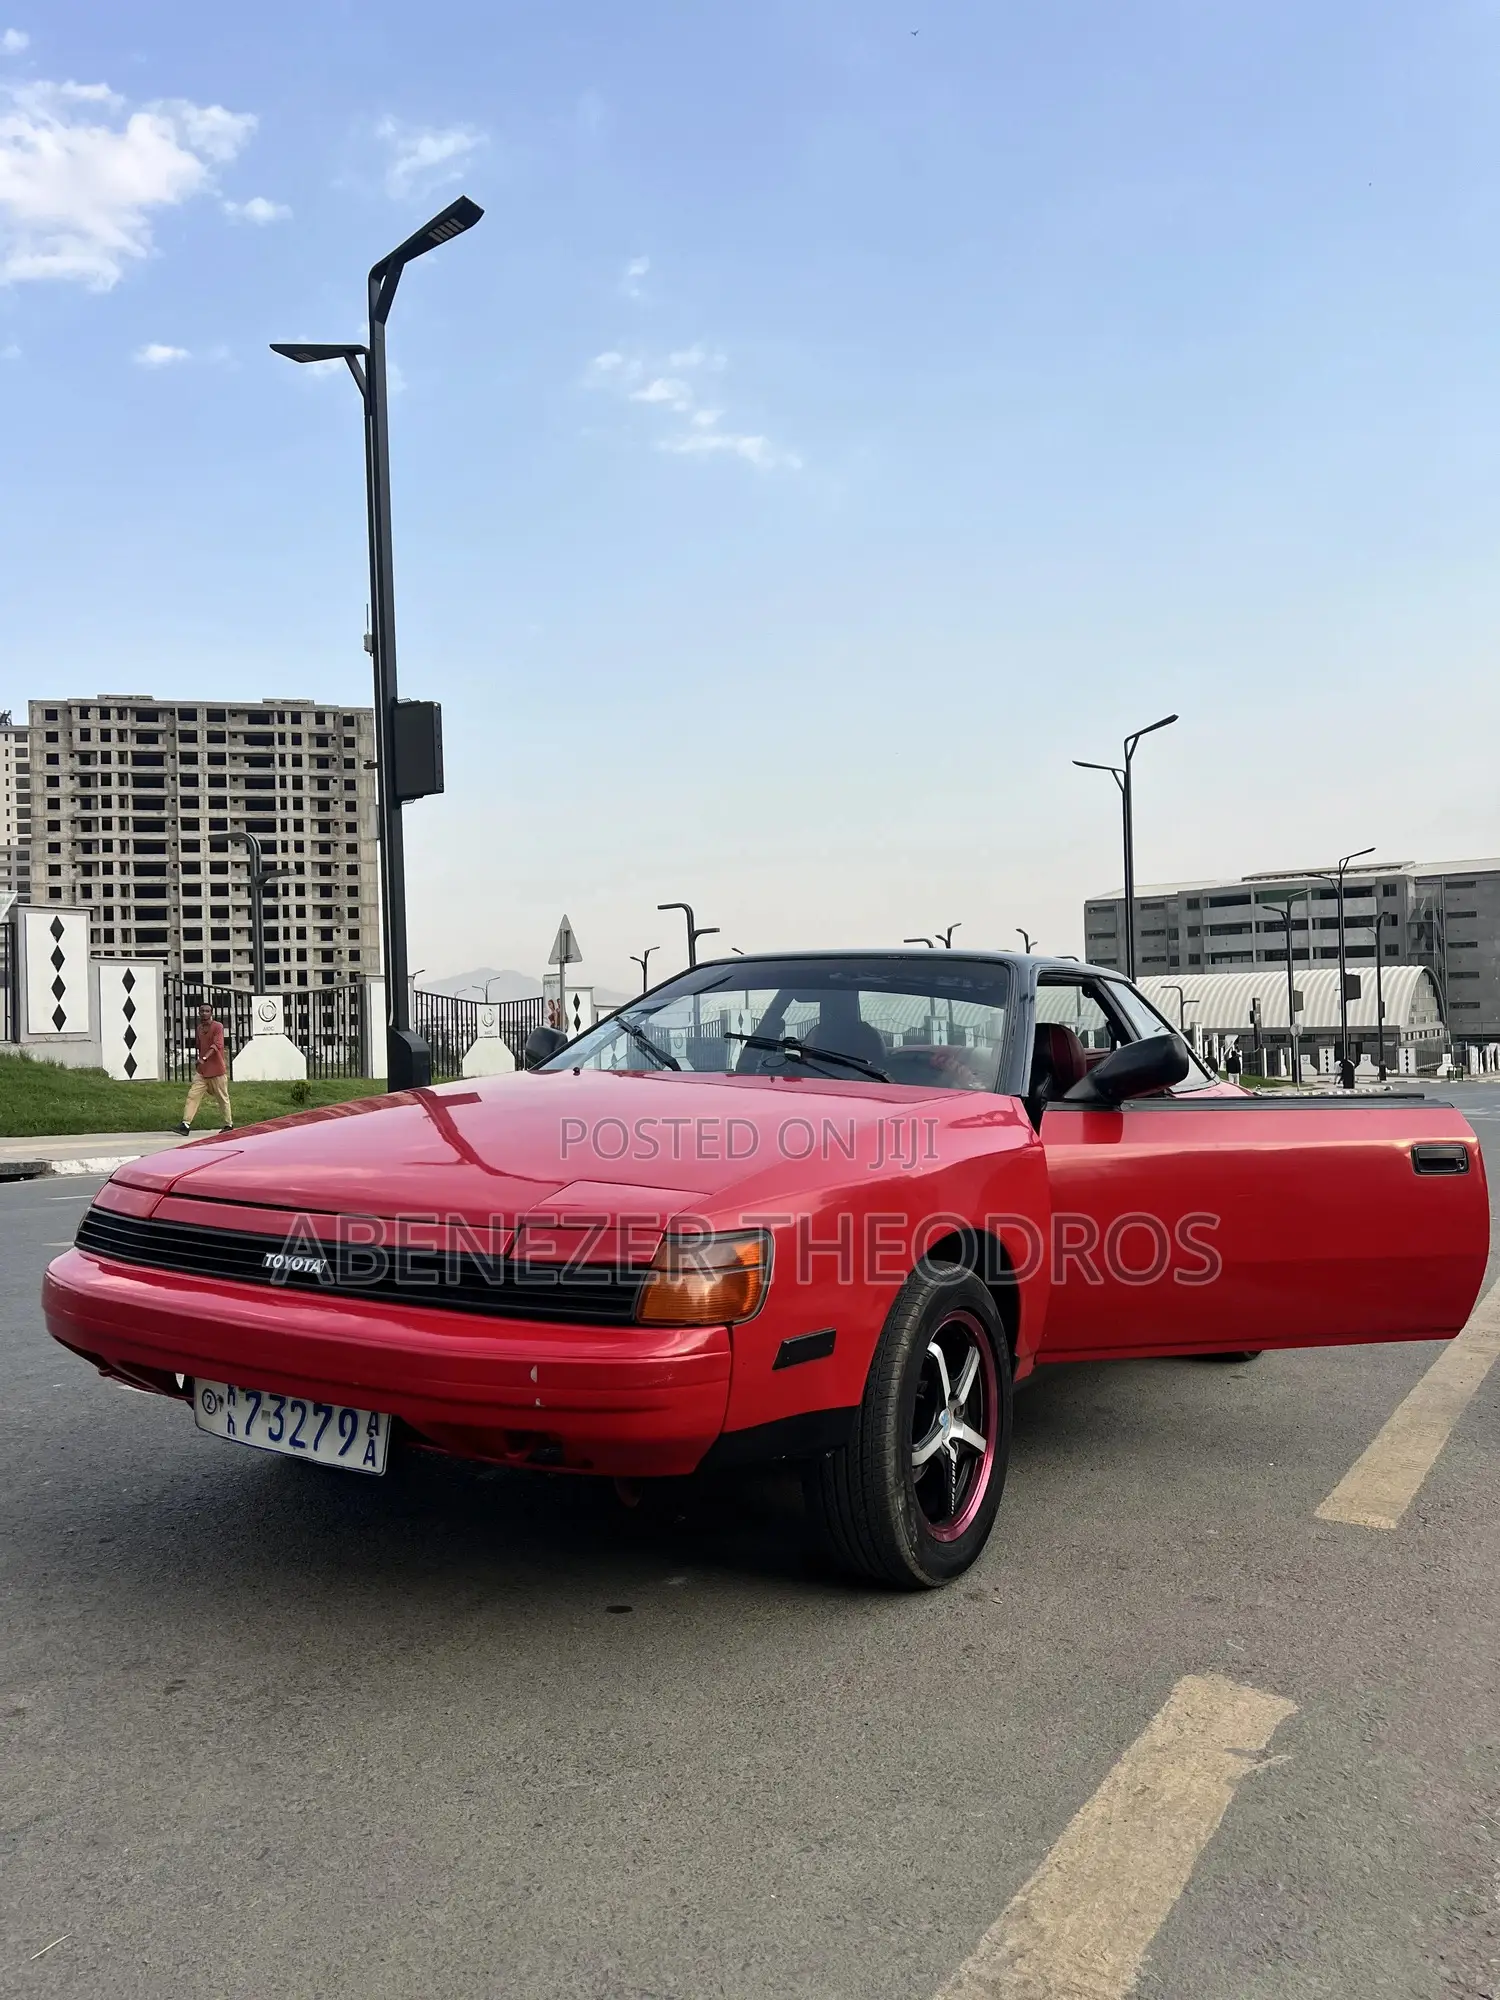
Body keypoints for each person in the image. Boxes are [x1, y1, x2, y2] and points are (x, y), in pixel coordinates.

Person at [177, 1004, 233, 1134]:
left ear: (211, 1013)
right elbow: (199, 1045)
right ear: (198, 1013)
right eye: (202, 1011)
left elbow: (217, 1045)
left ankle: (228, 1125)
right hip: (202, 1072)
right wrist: (200, 1060)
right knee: (192, 1095)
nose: (204, 1013)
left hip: (217, 1070)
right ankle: (185, 1124)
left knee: (222, 1098)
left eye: (207, 1011)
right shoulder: (199, 1028)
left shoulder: (218, 1027)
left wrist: (204, 1058)